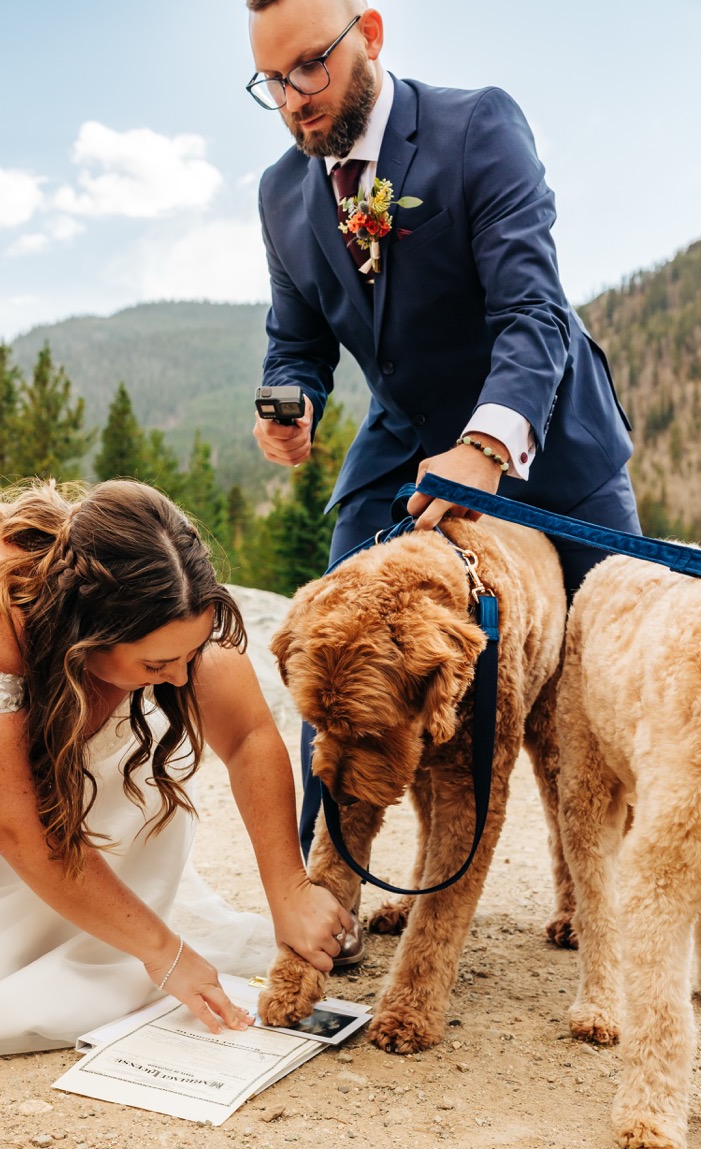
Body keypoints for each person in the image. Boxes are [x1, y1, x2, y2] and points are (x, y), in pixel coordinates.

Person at [245, 0, 643, 862]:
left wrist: (489, 443)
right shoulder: (281, 190)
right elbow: (296, 336)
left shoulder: (476, 125)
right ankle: (328, 893)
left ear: (371, 34)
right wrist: (289, 396)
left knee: (621, 678)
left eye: (308, 67)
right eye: (271, 81)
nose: (292, 98)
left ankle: (654, 898)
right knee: (336, 659)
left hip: (549, 441)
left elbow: (531, 309)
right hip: (401, 449)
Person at [0, 478, 353, 1059]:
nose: (184, 678)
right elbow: (20, 830)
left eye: (191, 656)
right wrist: (166, 953)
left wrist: (288, 890)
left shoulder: (177, 603)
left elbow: (248, 737)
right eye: (160, 662)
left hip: (18, 801)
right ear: (84, 635)